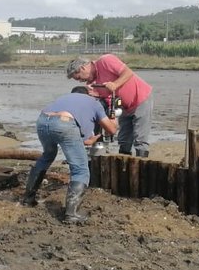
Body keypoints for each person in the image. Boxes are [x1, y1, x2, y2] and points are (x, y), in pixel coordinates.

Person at [22, 86, 119, 224]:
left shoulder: (64, 98)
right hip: (64, 122)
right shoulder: (94, 103)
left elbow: (78, 139)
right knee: (80, 168)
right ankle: (72, 214)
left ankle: (28, 199)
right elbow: (111, 129)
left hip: (42, 121)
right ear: (89, 95)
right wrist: (114, 118)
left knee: (47, 156)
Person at [66, 55, 153, 158]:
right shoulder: (92, 83)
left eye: (79, 78)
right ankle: (124, 166)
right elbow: (106, 101)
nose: (81, 81)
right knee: (123, 139)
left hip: (140, 98)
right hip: (124, 107)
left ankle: (142, 166)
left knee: (140, 138)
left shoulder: (106, 61)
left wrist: (115, 84)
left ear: (82, 68)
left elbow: (128, 72)